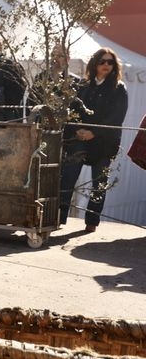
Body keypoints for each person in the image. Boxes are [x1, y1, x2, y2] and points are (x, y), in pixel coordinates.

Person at [59, 48, 128, 233]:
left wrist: (94, 132)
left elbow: (116, 118)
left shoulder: (119, 88)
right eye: (102, 61)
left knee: (99, 184)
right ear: (95, 63)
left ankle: (91, 221)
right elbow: (72, 112)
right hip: (79, 139)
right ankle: (59, 217)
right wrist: (77, 130)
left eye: (110, 62)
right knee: (67, 178)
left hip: (104, 142)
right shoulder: (83, 85)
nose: (106, 65)